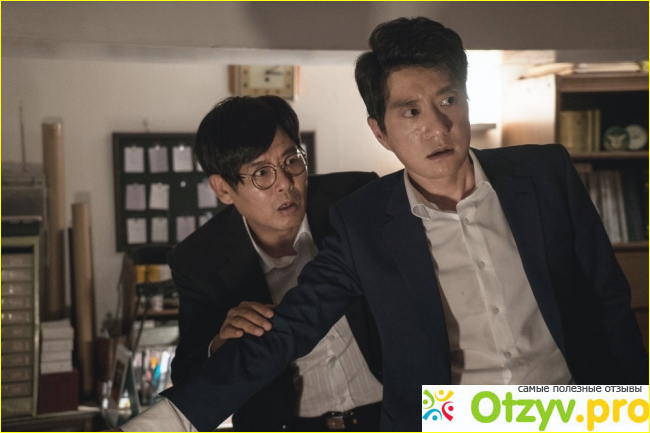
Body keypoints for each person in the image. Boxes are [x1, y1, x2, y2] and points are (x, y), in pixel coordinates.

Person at [123, 17, 647, 432]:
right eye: (410, 112)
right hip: (452, 418)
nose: (437, 127)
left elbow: (608, 304)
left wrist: (631, 413)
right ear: (380, 131)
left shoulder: (545, 173)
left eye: (448, 100)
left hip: (574, 408)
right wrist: (164, 422)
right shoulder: (363, 221)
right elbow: (287, 332)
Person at [124, 95, 383, 431]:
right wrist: (221, 341)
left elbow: (430, 311)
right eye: (262, 173)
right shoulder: (198, 259)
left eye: (292, 160)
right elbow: (188, 372)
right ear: (223, 189)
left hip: (397, 412)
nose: (285, 183)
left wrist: (447, 418)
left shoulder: (355, 196)